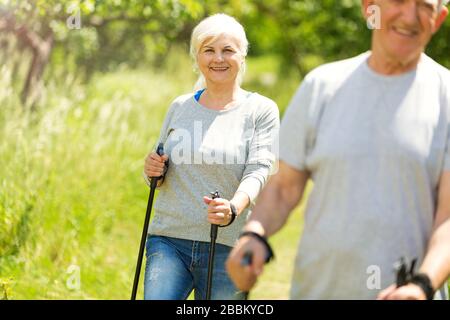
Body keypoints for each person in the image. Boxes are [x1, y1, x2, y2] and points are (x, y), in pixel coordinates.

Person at [226, 0, 450, 300]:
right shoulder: (321, 85)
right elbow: (283, 188)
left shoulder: (446, 96)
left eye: (424, 5)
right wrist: (255, 233)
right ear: (370, 8)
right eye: (398, 0)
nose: (410, 16)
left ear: (438, 19)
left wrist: (422, 284)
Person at [142, 13, 280, 300]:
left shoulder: (260, 110)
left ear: (242, 56)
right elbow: (159, 168)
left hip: (228, 245)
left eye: (228, 50)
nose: (219, 58)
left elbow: (259, 169)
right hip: (169, 238)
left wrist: (232, 208)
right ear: (197, 57)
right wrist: (152, 170)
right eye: (209, 50)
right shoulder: (180, 106)